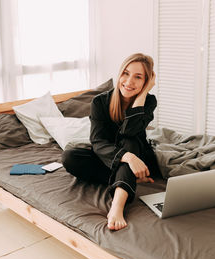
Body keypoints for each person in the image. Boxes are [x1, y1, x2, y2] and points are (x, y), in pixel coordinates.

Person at [62, 53, 161, 231]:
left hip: (139, 156)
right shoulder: (99, 102)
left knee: (129, 142)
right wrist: (127, 158)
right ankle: (127, 178)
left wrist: (144, 93)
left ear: (146, 81)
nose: (129, 81)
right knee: (70, 156)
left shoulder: (149, 101)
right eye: (126, 73)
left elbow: (130, 131)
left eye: (138, 77)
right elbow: (98, 142)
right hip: (110, 157)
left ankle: (117, 206)